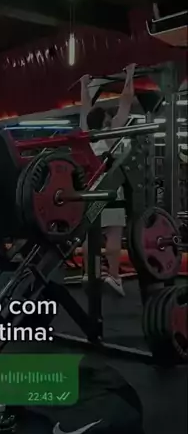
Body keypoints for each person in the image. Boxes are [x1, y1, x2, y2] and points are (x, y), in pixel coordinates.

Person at [79, 63, 136, 296]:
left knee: (89, 235)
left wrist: (84, 85)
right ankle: (113, 276)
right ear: (105, 122)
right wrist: (130, 74)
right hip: (110, 190)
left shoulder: (86, 132)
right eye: (109, 116)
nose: (112, 117)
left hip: (90, 191)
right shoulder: (112, 133)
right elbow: (126, 101)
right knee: (113, 234)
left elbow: (85, 108)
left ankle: (88, 273)